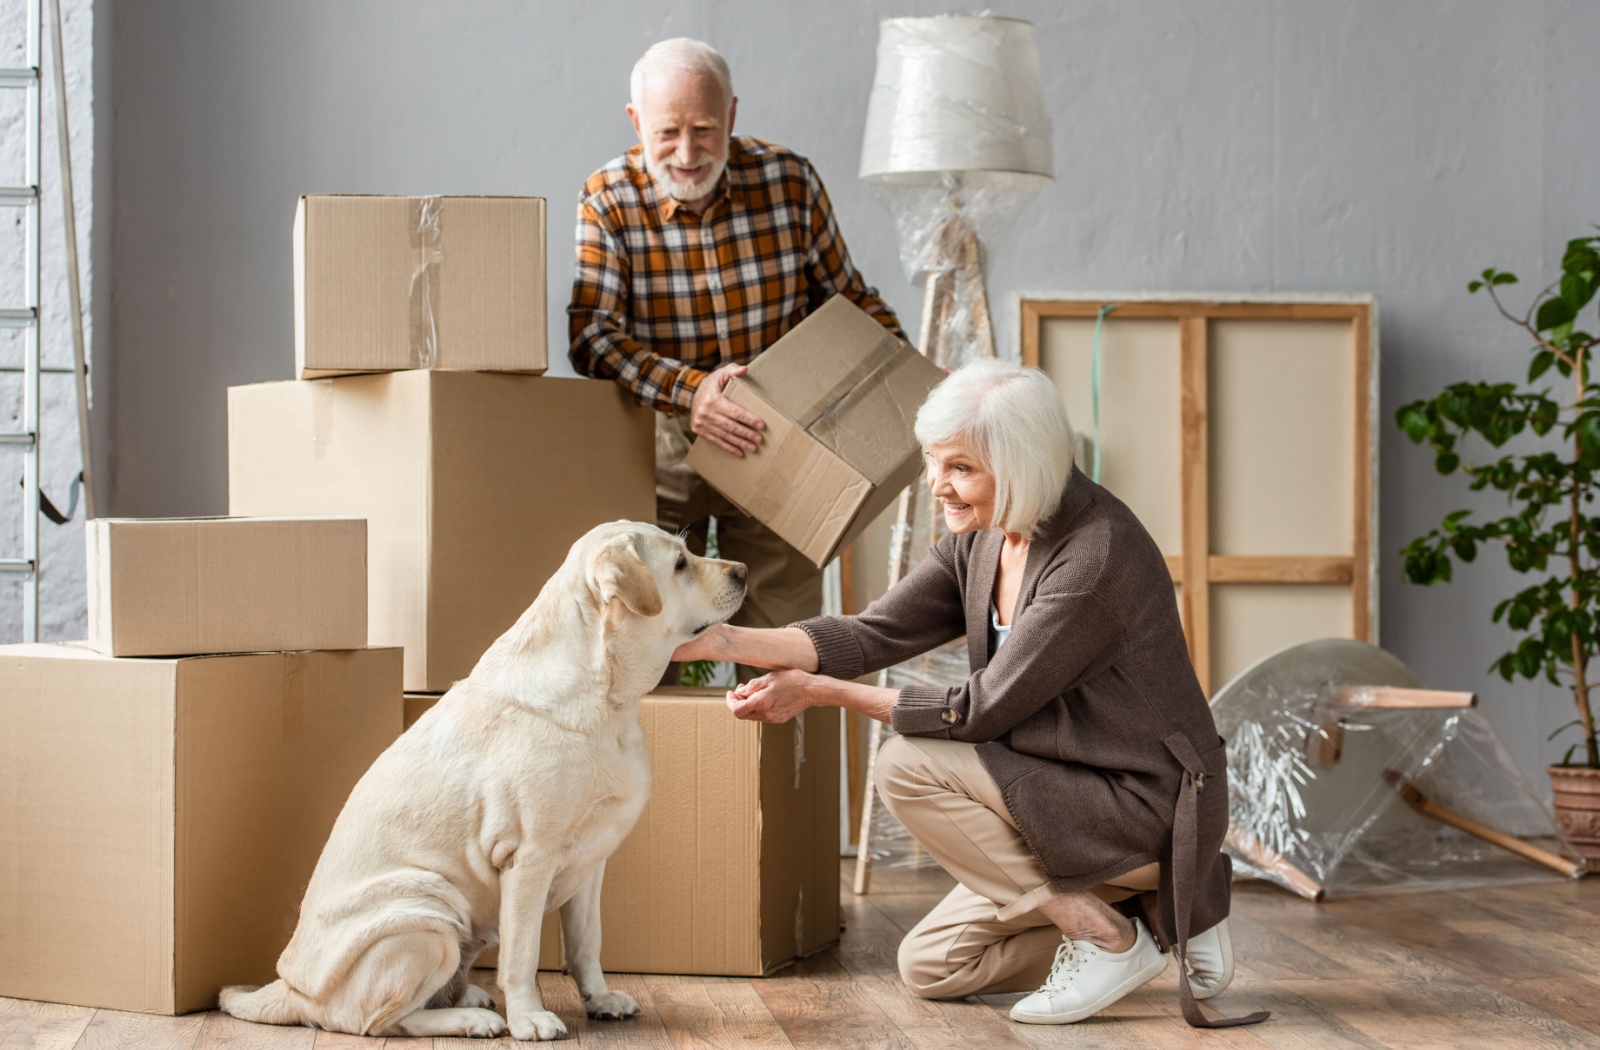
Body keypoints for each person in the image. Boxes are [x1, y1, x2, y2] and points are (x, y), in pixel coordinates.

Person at [672, 360, 1267, 1029]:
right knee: (932, 968)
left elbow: (981, 710)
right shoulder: (983, 537)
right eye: (933, 462)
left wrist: (820, 692)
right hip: (1055, 790)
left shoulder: (1095, 560)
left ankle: (1108, 939)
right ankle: (1160, 914)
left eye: (961, 469)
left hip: (1145, 801)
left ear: (1021, 465)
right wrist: (723, 641)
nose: (938, 486)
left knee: (905, 763)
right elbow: (874, 633)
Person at [569, 38, 906, 666]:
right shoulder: (608, 196)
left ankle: (779, 765)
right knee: (646, 642)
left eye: (704, 129)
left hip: (779, 435)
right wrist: (692, 392)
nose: (689, 153)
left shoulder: (790, 181)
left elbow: (849, 301)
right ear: (637, 122)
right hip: (664, 436)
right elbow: (591, 335)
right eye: (668, 132)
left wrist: (919, 385)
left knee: (791, 640)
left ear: (731, 115)